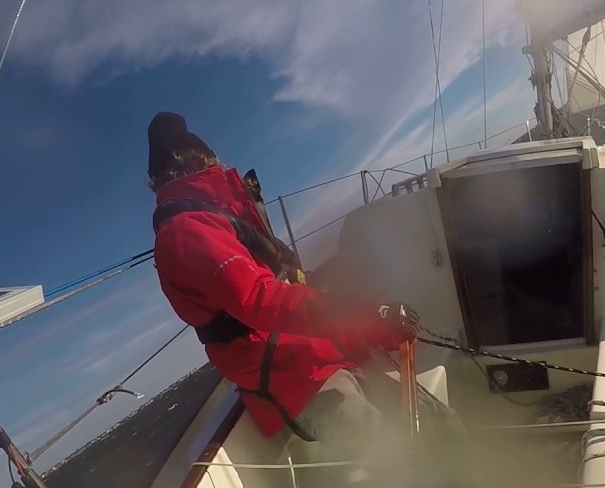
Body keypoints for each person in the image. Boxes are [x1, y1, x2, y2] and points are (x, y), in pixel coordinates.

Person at [146, 112, 421, 480]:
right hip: (290, 375)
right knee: (390, 456)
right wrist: (363, 314)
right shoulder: (185, 231)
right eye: (210, 158)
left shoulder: (210, 217)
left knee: (432, 420)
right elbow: (260, 299)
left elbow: (283, 284)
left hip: (310, 348)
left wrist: (362, 316)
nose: (218, 163)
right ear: (191, 162)